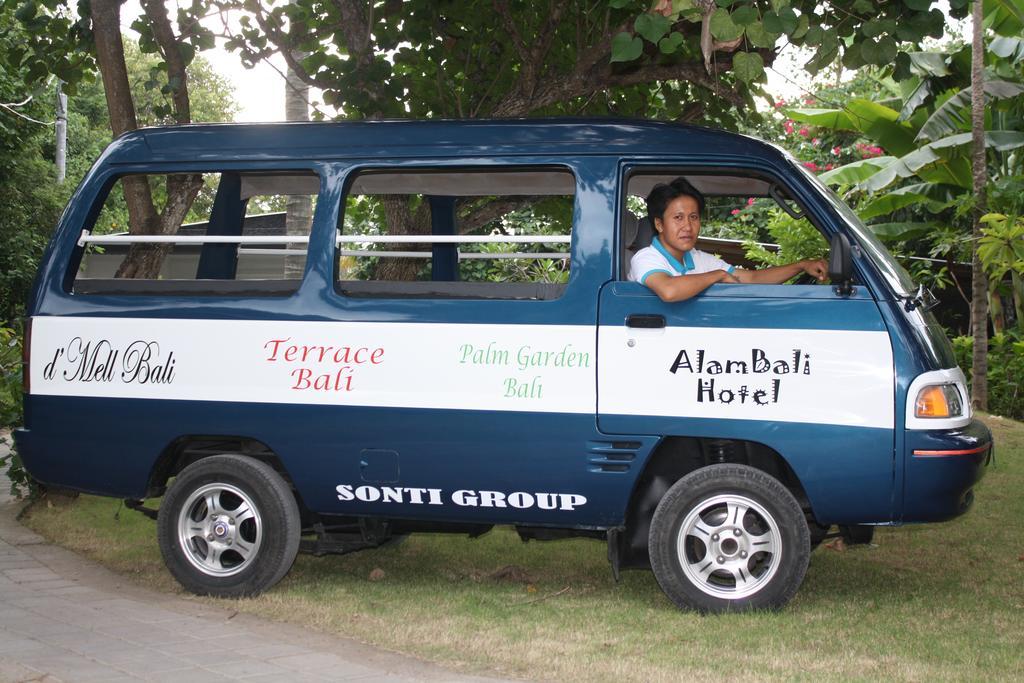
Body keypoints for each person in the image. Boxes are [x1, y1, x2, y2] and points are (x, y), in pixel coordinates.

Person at [629, 178, 829, 302]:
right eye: (678, 218)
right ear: (659, 224)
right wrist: (718, 275)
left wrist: (801, 265)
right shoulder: (646, 258)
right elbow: (669, 290)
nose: (688, 227)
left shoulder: (698, 258)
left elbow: (751, 279)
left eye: (694, 217)